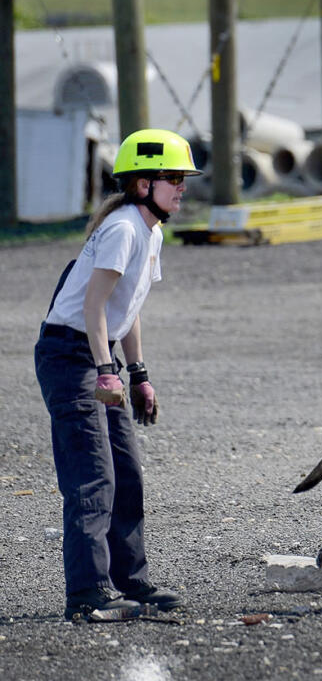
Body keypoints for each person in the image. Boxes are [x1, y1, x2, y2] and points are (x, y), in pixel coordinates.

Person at [34, 128, 201, 622]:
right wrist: (107, 372)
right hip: (71, 355)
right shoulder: (124, 229)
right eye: (173, 178)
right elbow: (92, 307)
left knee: (125, 472)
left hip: (97, 351)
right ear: (142, 184)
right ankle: (87, 594)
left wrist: (140, 374)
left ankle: (130, 583)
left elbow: (128, 309)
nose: (182, 187)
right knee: (93, 477)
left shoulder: (152, 231)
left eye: (182, 179)